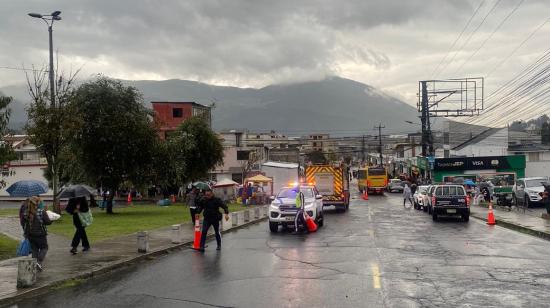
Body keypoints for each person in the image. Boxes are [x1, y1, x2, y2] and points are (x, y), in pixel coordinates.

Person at [19, 196, 52, 271]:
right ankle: (39, 262)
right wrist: (51, 218)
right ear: (37, 203)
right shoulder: (41, 211)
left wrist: (25, 233)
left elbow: (23, 223)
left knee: (34, 250)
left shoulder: (26, 212)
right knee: (44, 248)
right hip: (40, 234)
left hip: (30, 235)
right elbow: (47, 222)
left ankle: (34, 265)